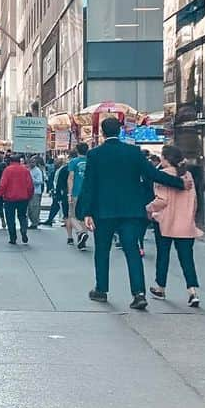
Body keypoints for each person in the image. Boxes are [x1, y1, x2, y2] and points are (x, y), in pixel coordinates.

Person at [75, 115, 186, 310]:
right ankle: (139, 293)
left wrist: (86, 212)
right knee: (132, 250)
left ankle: (101, 289)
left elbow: (89, 185)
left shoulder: (95, 154)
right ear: (119, 131)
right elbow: (153, 174)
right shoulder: (134, 152)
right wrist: (178, 182)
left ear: (103, 132)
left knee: (102, 251)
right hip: (131, 211)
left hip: (104, 211)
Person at [147, 145, 201, 307]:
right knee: (187, 258)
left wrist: (148, 208)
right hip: (185, 223)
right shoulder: (188, 175)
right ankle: (192, 291)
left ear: (166, 159)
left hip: (165, 222)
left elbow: (161, 201)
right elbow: (195, 200)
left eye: (162, 157)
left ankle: (160, 287)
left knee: (163, 255)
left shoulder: (161, 176)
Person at [0, 154, 34, 244]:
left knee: (10, 218)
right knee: (22, 216)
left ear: (10, 161)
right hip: (23, 197)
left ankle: (13, 237)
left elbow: (3, 184)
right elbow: (30, 185)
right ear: (19, 161)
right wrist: (29, 195)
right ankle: (24, 230)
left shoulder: (7, 170)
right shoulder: (25, 170)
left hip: (10, 198)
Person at [65, 141, 90, 248]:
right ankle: (82, 240)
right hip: (88, 193)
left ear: (77, 150)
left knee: (72, 216)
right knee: (84, 216)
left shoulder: (73, 162)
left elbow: (71, 178)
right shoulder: (91, 161)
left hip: (76, 191)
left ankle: (80, 232)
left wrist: (69, 193)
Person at [46, 157, 70, 230]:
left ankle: (65, 220)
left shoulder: (63, 169)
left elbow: (62, 181)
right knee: (55, 205)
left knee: (61, 206)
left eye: (56, 162)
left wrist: (61, 190)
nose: (54, 164)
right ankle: (50, 219)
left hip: (62, 191)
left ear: (60, 163)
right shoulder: (56, 170)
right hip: (57, 190)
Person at [27, 156, 45, 229]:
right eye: (31, 162)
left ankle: (35, 223)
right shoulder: (29, 170)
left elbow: (40, 181)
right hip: (28, 191)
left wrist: (32, 179)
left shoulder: (37, 171)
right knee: (30, 208)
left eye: (33, 162)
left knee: (34, 207)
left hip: (36, 191)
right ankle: (32, 221)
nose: (32, 164)